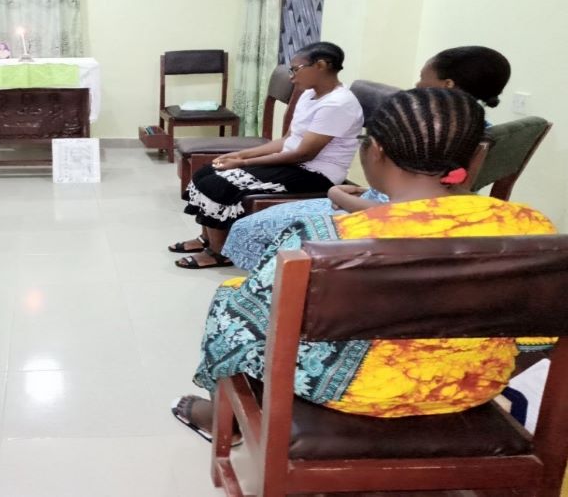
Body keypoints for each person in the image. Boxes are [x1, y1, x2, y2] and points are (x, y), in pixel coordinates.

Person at [172, 88, 555, 442]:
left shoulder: (325, 236)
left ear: (376, 152)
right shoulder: (532, 227)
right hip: (472, 388)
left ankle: (227, 419)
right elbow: (536, 340)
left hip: (357, 394)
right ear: (476, 157)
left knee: (232, 304)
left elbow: (260, 322)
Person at [221, 46, 513, 271]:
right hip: (381, 201)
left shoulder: (432, 133)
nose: (416, 83)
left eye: (423, 77)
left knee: (256, 231)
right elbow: (435, 194)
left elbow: (410, 214)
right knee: (255, 225)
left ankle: (279, 291)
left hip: (376, 214)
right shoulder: (475, 136)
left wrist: (339, 194)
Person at [171, 42, 364, 269]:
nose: (292, 77)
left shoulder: (338, 104)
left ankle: (218, 252)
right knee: (206, 172)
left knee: (219, 184)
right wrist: (240, 154)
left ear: (321, 65)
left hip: (316, 173)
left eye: (296, 69)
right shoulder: (309, 95)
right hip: (295, 163)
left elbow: (303, 154)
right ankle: (207, 239)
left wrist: (243, 162)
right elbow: (286, 141)